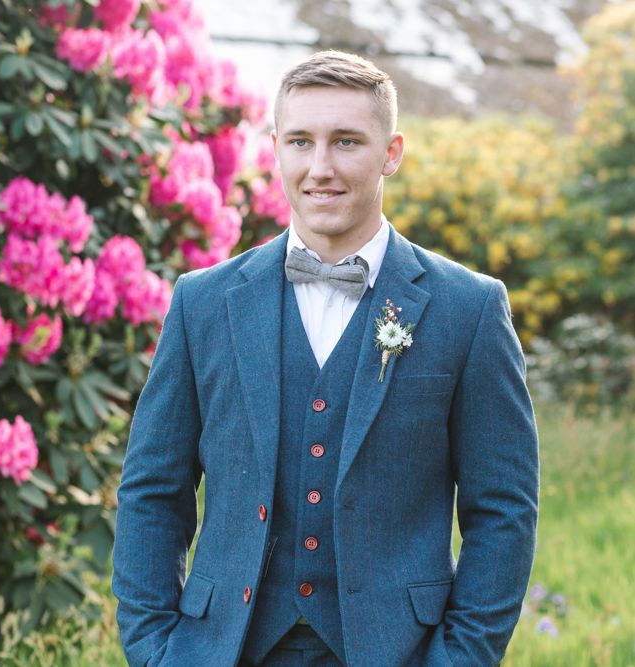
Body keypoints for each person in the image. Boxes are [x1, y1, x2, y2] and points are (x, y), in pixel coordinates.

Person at [112, 50, 539, 667]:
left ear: (391, 152)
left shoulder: (468, 310)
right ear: (276, 148)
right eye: (300, 142)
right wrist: (156, 649)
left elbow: (504, 510)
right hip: (222, 650)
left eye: (346, 142)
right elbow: (153, 491)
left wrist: (459, 658)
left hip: (400, 651)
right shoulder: (201, 303)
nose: (320, 168)